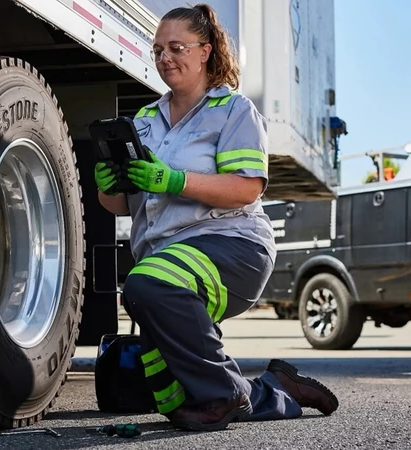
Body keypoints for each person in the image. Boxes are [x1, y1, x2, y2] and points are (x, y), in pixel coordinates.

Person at [94, 4, 339, 432]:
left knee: (146, 284)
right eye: (157, 50)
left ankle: (223, 393)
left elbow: (247, 187)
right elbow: (120, 206)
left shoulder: (232, 110)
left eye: (176, 47)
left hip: (232, 246)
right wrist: (109, 185)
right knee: (174, 401)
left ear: (205, 50)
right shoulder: (145, 121)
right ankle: (274, 388)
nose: (164, 58)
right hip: (167, 260)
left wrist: (171, 179)